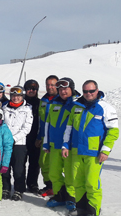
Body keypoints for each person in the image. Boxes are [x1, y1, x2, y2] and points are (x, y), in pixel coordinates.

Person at [62, 80, 118, 216]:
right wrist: (65, 145)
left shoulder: (105, 108)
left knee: (92, 183)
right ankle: (82, 209)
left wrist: (105, 149)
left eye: (91, 91)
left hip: (94, 153)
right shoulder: (76, 107)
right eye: (86, 91)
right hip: (76, 151)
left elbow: (113, 131)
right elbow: (69, 128)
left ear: (97, 91)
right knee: (78, 182)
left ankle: (93, 210)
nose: (88, 94)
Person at [43, 78, 78, 212]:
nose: (63, 91)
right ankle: (59, 195)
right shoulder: (54, 103)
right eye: (61, 89)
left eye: (66, 89)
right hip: (54, 144)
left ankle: (71, 197)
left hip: (69, 146)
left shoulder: (76, 104)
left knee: (70, 174)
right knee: (54, 173)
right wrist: (46, 142)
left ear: (71, 89)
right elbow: (47, 124)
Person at [1, 86, 33, 201]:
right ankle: (6, 188)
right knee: (5, 166)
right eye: (13, 96)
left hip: (19, 143)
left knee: (19, 167)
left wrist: (14, 138)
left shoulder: (27, 109)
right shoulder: (4, 107)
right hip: (5, 143)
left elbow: (27, 128)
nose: (16, 98)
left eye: (18, 96)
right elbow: (1, 124)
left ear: (22, 97)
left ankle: (19, 189)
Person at [36, 75, 59, 197]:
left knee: (56, 164)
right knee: (43, 162)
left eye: (52, 85)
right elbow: (42, 121)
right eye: (48, 85)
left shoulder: (61, 100)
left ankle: (59, 188)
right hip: (45, 137)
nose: (50, 87)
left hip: (57, 137)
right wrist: (40, 136)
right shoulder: (44, 100)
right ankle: (49, 186)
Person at [23, 79, 41, 195]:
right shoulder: (21, 102)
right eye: (28, 88)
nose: (31, 90)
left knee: (34, 163)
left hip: (36, 138)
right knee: (20, 163)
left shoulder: (40, 103)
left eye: (33, 89)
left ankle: (32, 184)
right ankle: (20, 183)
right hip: (23, 138)